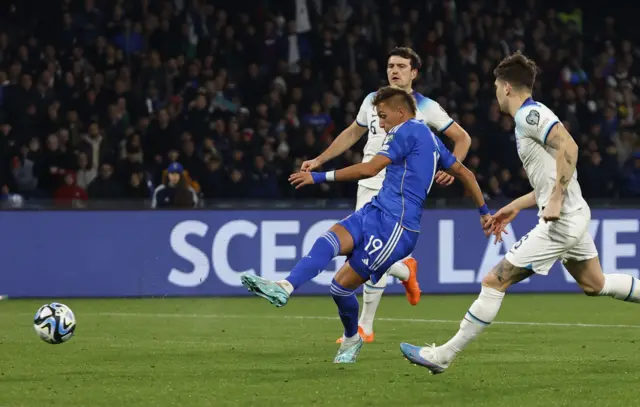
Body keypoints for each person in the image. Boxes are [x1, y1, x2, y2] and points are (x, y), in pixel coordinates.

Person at [400, 51, 640, 374]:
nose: (496, 93)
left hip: (562, 220)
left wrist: (554, 200)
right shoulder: (528, 120)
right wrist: (514, 206)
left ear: (507, 88)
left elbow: (569, 147)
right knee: (594, 283)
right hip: (574, 214)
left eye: (497, 87)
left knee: (494, 280)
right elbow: (550, 176)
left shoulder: (530, 116)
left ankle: (442, 355)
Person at [240, 87, 488, 363]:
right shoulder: (427, 136)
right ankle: (285, 286)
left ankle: (352, 338)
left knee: (339, 287)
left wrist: (320, 177)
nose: (380, 123)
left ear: (400, 112)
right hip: (376, 210)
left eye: (383, 116)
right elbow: (465, 173)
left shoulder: (408, 132)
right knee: (329, 240)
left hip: (396, 227)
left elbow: (370, 169)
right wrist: (484, 211)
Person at [301, 47, 472, 344]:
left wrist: (451, 168)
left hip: (400, 189)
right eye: (391, 65)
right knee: (364, 253)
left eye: (402, 66)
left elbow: (462, 137)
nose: (395, 71)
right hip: (368, 183)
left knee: (368, 253)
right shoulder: (372, 101)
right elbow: (352, 133)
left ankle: (366, 324)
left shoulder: (426, 107)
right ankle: (404, 270)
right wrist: (319, 159)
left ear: (414, 73)